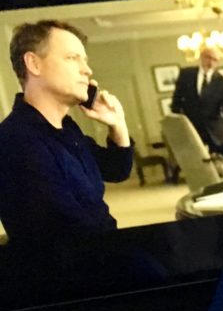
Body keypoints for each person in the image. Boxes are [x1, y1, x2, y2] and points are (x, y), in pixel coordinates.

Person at [0, 20, 133, 249]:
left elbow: (117, 170)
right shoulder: (15, 141)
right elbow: (70, 230)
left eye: (85, 60)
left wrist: (117, 125)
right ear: (33, 64)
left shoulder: (67, 129)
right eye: (73, 58)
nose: (87, 70)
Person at [170, 46, 223, 154]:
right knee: (194, 156)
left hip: (214, 129)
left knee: (218, 158)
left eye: (215, 60)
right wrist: (180, 123)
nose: (211, 62)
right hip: (191, 127)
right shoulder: (186, 75)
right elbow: (176, 101)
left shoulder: (222, 82)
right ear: (201, 57)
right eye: (208, 58)